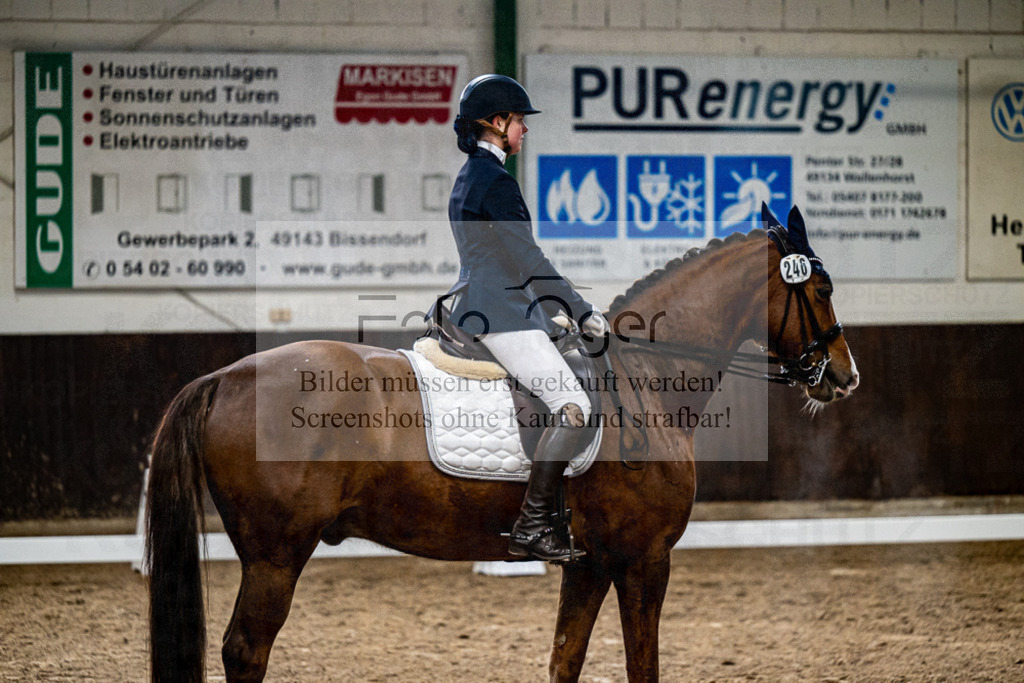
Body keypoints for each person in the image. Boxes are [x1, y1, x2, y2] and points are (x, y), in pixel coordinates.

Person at [447, 74, 609, 562]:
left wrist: (546, 311)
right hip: (500, 315)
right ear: (497, 124)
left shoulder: (470, 176)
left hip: (486, 304)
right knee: (573, 405)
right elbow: (529, 261)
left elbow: (502, 261)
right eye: (519, 122)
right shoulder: (496, 182)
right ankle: (533, 524)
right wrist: (581, 312)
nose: (524, 130)